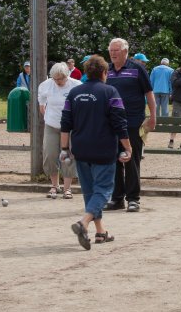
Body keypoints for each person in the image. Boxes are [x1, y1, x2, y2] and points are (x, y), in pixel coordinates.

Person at [61, 55, 132, 250]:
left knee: (90, 191)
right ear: (104, 73)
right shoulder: (110, 92)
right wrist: (127, 147)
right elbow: (120, 122)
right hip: (103, 149)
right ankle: (83, 223)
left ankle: (100, 232)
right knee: (103, 190)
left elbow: (65, 123)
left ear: (86, 72)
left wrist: (64, 149)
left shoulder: (74, 93)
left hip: (80, 149)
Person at [104, 38, 156, 212]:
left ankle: (133, 199)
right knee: (114, 160)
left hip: (133, 122)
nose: (113, 53)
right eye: (111, 50)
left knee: (131, 160)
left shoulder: (137, 68)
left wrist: (153, 117)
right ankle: (117, 198)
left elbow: (149, 93)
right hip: (111, 123)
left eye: (116, 50)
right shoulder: (107, 70)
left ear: (125, 52)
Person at [38, 62, 81, 199]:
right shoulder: (45, 85)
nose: (58, 82)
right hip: (51, 125)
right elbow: (42, 104)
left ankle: (67, 188)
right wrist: (48, 116)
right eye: (55, 79)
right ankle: (54, 185)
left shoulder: (77, 85)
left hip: (70, 127)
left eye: (61, 79)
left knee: (68, 156)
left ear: (67, 75)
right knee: (50, 154)